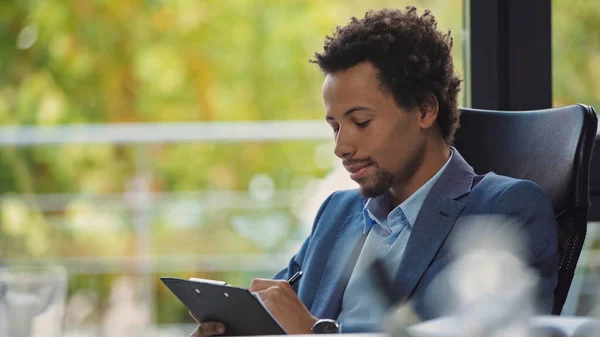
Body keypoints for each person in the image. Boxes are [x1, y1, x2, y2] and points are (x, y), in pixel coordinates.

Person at [191, 6, 558, 336]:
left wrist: (315, 334)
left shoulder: (506, 209)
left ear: (425, 110)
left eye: (361, 122)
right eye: (335, 126)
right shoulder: (336, 213)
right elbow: (275, 315)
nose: (341, 147)